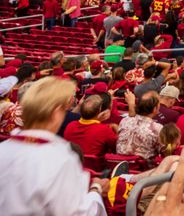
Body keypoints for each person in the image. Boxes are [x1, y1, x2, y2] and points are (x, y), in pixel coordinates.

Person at [0, 76, 109, 215]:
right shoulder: (60, 158)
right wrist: (96, 190)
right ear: (56, 113)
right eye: (64, 110)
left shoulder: (3, 149)